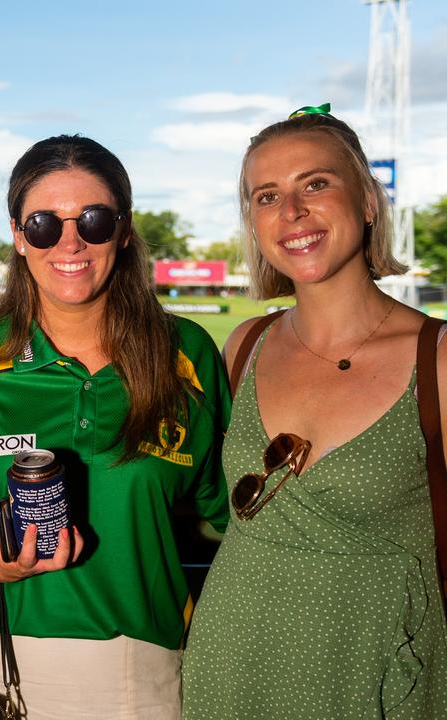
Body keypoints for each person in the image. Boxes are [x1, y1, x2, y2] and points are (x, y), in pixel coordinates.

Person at [0, 135, 231, 720]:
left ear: (123, 230)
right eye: (45, 224)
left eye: (93, 220)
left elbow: (227, 515)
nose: (69, 242)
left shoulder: (188, 355)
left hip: (144, 674)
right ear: (19, 237)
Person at [182, 105, 447, 718]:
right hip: (232, 661)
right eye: (267, 195)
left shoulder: (435, 361)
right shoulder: (242, 347)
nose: (292, 212)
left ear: (368, 201)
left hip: (375, 672)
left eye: (316, 184)